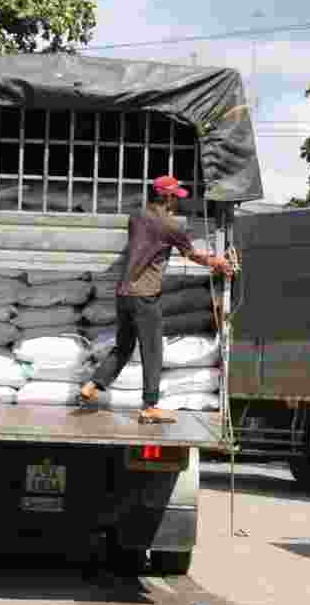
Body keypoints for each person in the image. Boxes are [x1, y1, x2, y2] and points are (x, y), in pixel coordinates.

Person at [78, 175, 234, 424]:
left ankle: (93, 385)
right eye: (176, 197)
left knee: (124, 346)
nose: (178, 202)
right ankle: (149, 406)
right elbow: (192, 255)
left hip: (124, 293)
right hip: (145, 296)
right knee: (153, 351)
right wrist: (217, 262)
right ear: (168, 197)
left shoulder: (136, 216)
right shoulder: (170, 226)